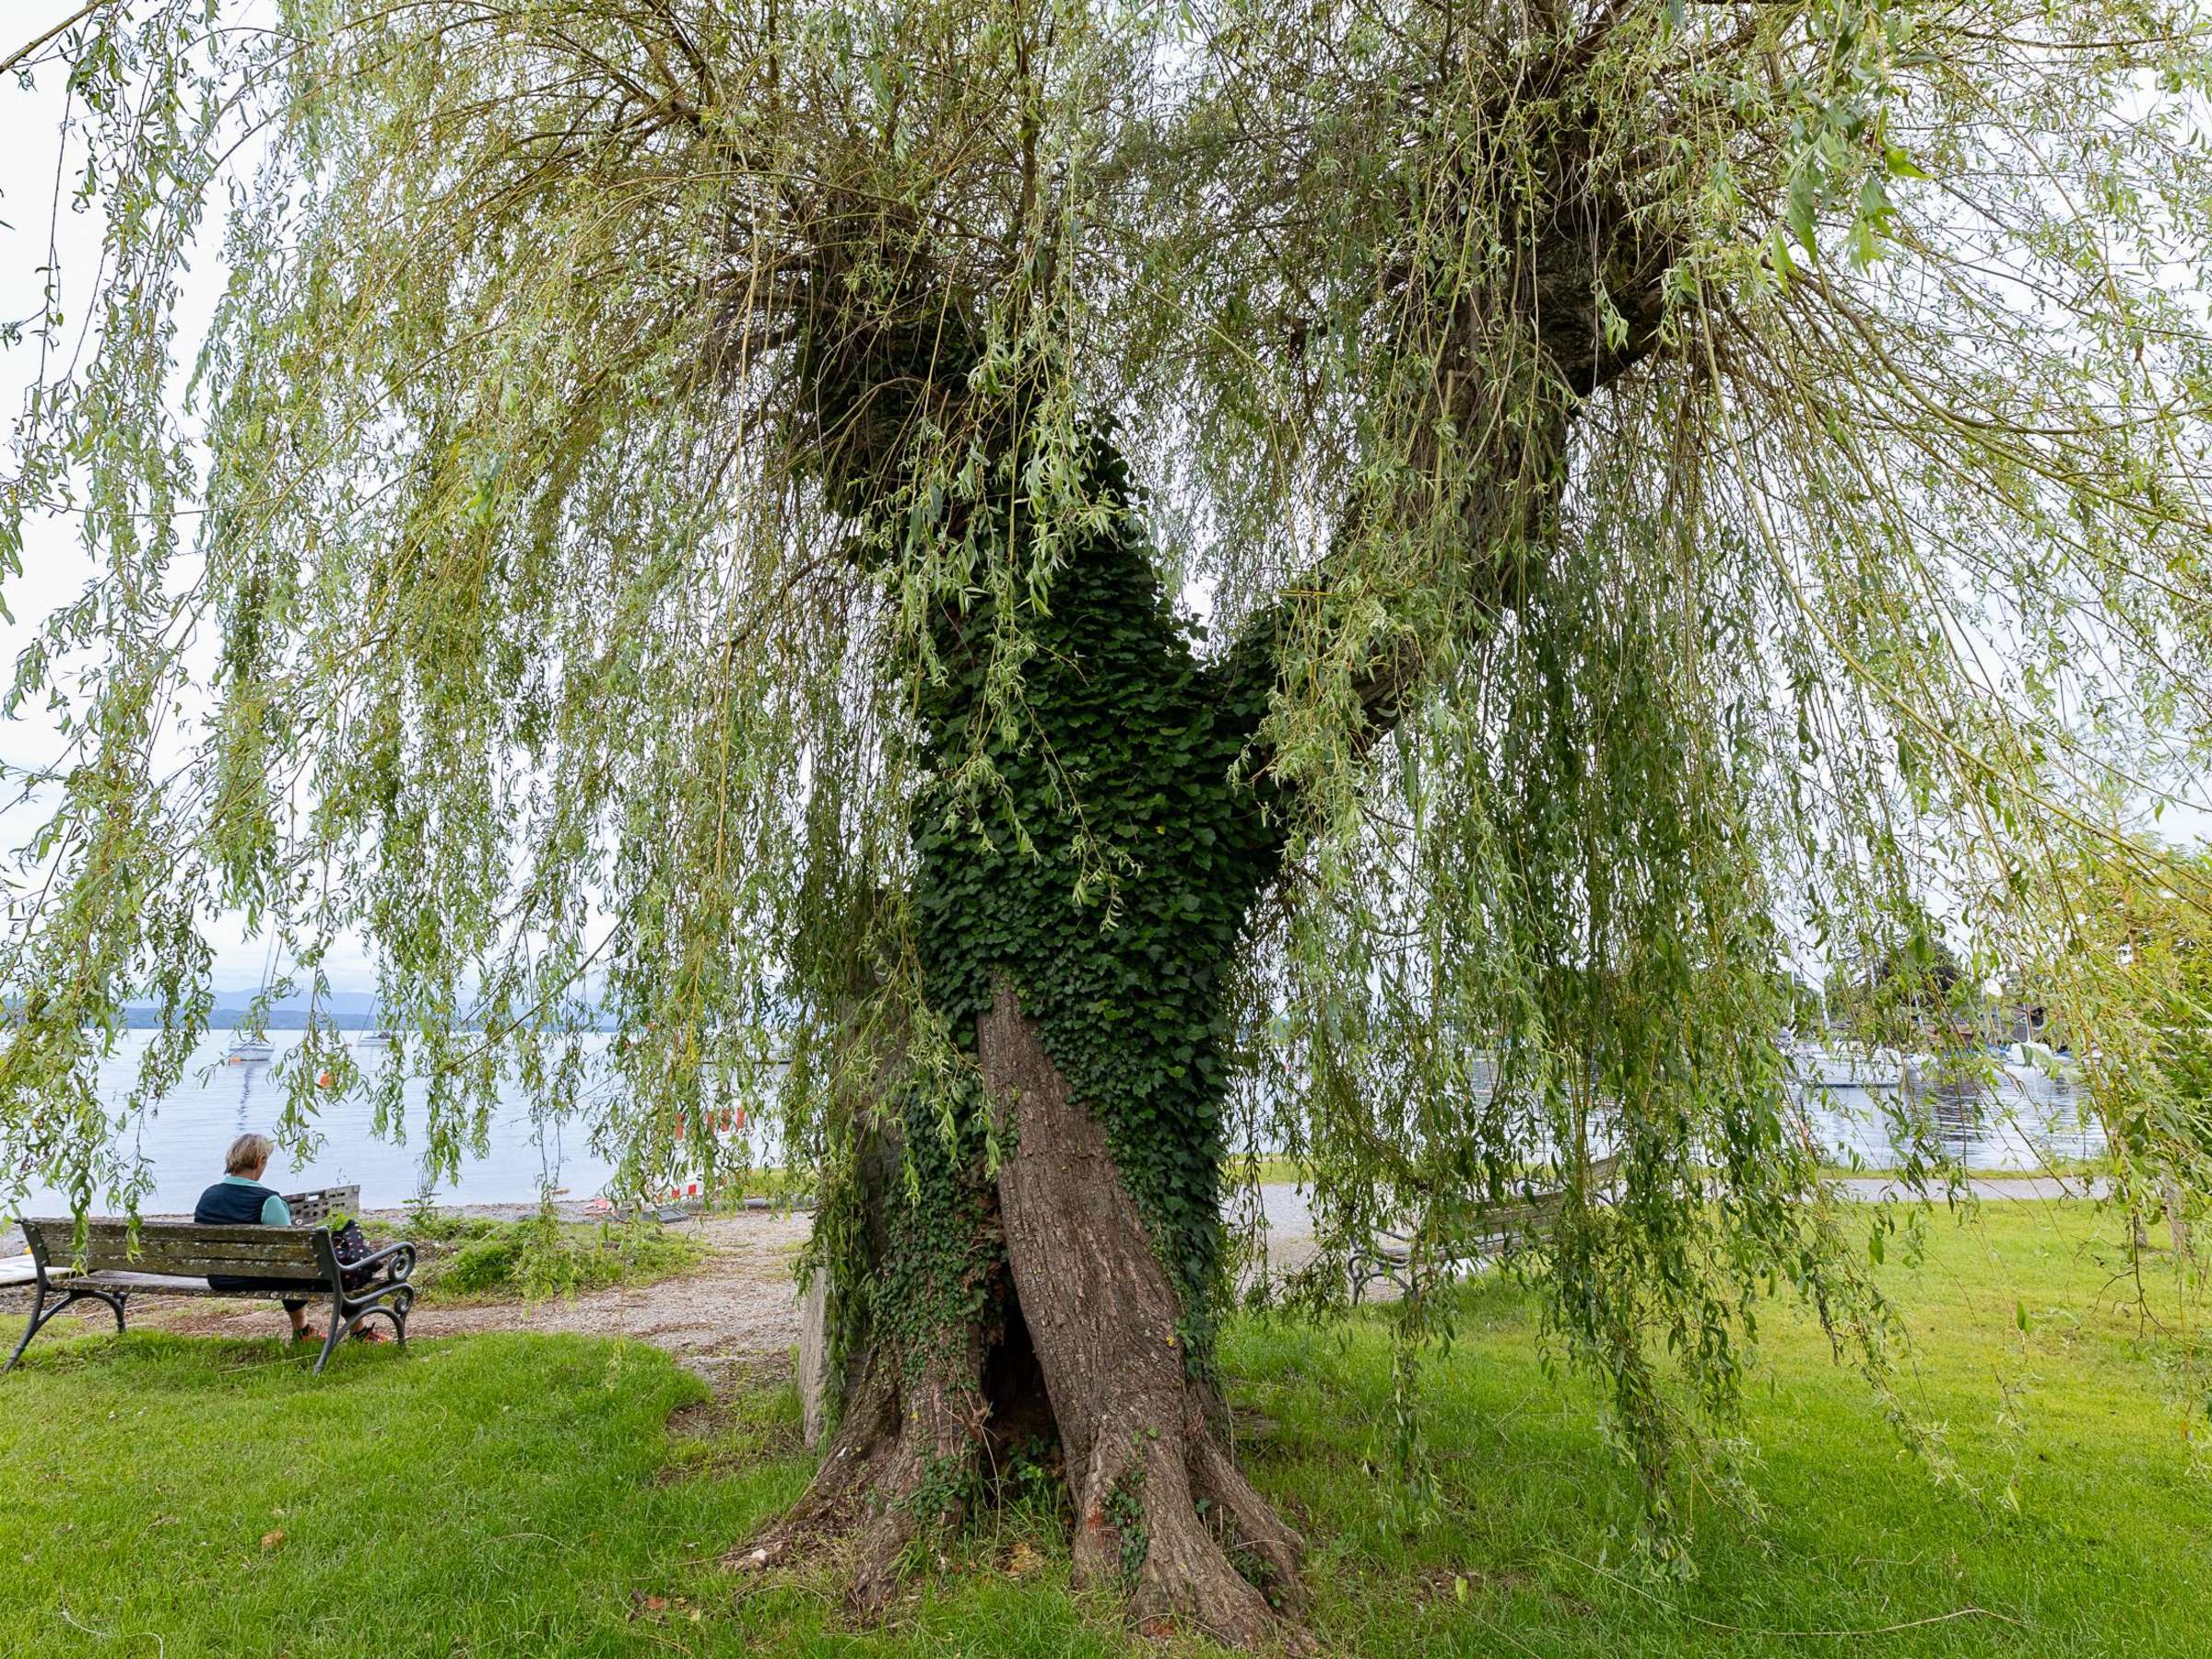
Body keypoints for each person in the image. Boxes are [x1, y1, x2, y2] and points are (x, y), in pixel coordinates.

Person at [193, 1133, 323, 1345]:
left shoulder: (208, 1195)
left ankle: (304, 1331)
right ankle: (353, 1332)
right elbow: (290, 1253)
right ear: (260, 1160)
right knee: (328, 1268)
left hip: (219, 1277)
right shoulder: (268, 1200)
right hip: (258, 1276)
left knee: (291, 1270)